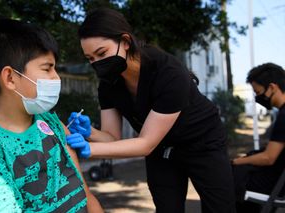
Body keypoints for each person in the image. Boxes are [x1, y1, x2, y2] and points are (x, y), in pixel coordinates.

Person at [66, 7, 236, 213]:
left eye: (101, 53)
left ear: (126, 42)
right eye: (90, 58)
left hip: (202, 143)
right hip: (161, 150)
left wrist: (89, 149)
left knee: (220, 207)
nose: (97, 63)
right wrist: (90, 133)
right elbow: (112, 137)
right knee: (167, 208)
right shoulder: (108, 84)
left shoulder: (168, 73)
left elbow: (145, 143)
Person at [0, 19, 103, 212]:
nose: (56, 77)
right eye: (47, 68)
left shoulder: (50, 122)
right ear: (10, 78)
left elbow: (85, 193)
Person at [232, 63, 285, 212]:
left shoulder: (284, 116)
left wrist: (237, 161)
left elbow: (268, 158)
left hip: (274, 184)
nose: (257, 97)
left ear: (272, 87)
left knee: (224, 180)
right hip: (278, 180)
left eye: (258, 92)